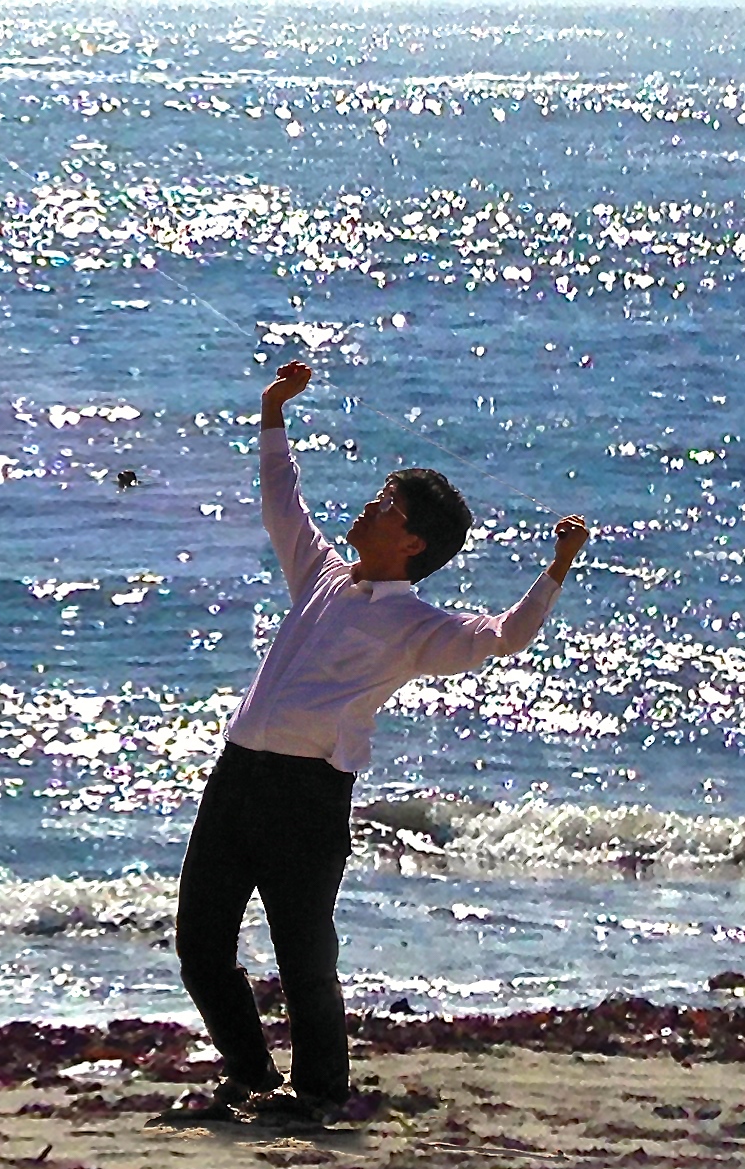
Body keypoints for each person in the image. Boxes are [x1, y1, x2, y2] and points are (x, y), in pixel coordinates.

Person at [175, 357, 588, 1122]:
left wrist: (555, 568)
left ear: (411, 542)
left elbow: (504, 636)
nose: (368, 507)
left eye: (385, 505)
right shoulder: (323, 575)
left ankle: (320, 1091)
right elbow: (281, 502)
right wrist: (272, 413)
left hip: (307, 794)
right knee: (198, 941)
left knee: (304, 956)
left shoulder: (415, 627)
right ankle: (248, 1070)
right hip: (237, 773)